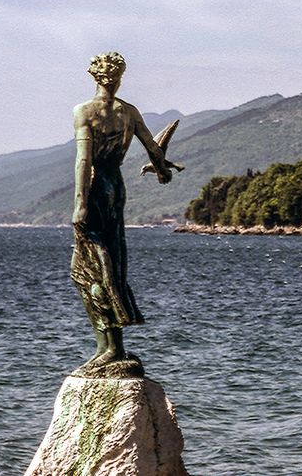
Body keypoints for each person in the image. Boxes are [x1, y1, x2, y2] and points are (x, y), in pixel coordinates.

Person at [71, 52, 173, 377]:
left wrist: (80, 203)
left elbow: (84, 162)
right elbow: (153, 149)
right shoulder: (128, 112)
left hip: (98, 188)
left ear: (94, 76)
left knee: (86, 270)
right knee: (110, 264)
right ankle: (113, 346)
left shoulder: (85, 112)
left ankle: (109, 348)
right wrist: (162, 170)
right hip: (117, 188)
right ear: (116, 77)